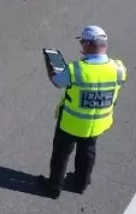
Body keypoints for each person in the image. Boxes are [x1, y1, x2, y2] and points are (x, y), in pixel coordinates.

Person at [39, 25, 128, 199]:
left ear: (87, 45)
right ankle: (80, 183)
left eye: (82, 43)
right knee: (88, 151)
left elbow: (58, 81)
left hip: (72, 122)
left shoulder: (76, 69)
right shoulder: (118, 68)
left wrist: (50, 66)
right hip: (98, 122)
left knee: (61, 154)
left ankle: (54, 187)